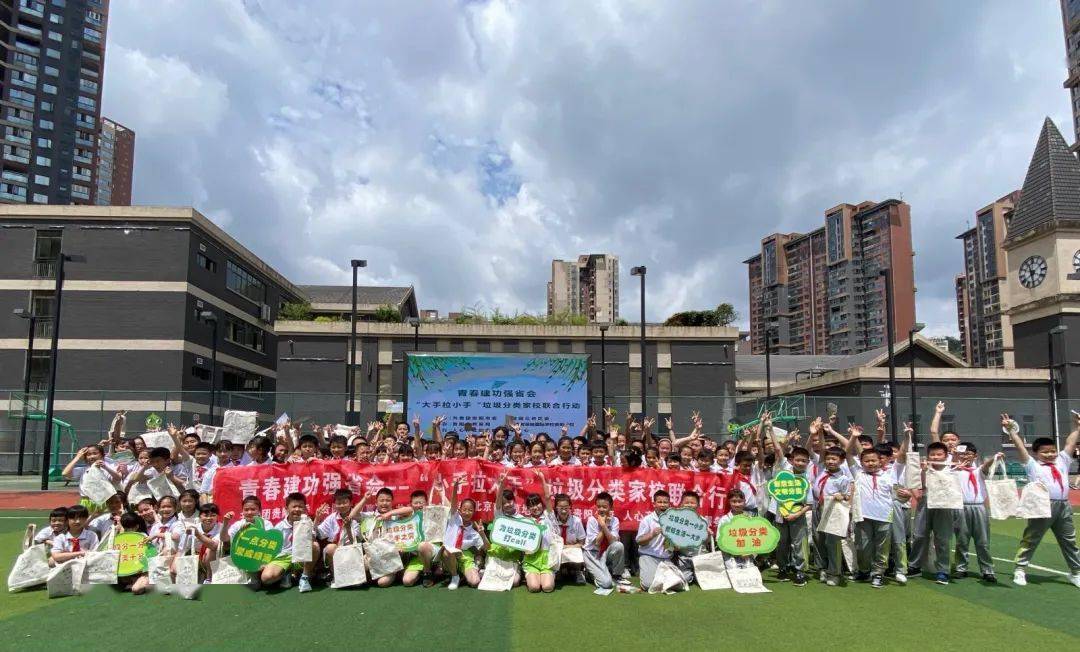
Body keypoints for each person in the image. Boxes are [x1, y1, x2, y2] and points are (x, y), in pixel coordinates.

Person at [1003, 412, 1080, 588]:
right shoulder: (1032, 466)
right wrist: (1012, 432)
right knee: (1031, 539)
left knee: (1069, 540)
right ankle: (1020, 570)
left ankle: (1075, 572)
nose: (1050, 454)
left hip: (1063, 506)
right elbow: (1020, 448)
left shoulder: (1062, 461)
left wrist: (1078, 427)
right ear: (1036, 453)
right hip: (1041, 506)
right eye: (1044, 452)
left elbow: (1070, 443)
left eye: (1052, 451)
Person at [849, 445, 900, 588]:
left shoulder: (889, 476)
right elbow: (848, 455)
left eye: (874, 460)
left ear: (880, 461)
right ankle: (864, 570)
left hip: (884, 516)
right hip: (863, 516)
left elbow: (897, 493)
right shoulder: (858, 474)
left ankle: (878, 573)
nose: (870, 463)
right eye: (866, 461)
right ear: (861, 462)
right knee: (862, 546)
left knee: (882, 547)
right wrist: (853, 438)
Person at [910, 441, 957, 585]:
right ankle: (914, 566)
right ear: (928, 455)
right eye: (933, 454)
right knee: (919, 535)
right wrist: (923, 471)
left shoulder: (952, 470)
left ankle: (943, 571)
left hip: (944, 506)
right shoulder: (924, 468)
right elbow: (922, 486)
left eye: (939, 454)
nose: (935, 457)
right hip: (926, 503)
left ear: (945, 455)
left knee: (942, 539)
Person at [350, 488, 416, 588]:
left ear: (392, 502)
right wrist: (365, 499)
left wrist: (390, 513)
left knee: (383, 583)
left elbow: (411, 510)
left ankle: (393, 573)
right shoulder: (370, 516)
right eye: (381, 500)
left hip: (392, 557)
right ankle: (372, 574)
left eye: (388, 500)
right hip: (373, 555)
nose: (384, 503)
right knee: (357, 567)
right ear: (376, 502)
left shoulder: (396, 515)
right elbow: (352, 515)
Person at [952, 442, 996, 582]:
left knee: (982, 541)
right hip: (961, 507)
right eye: (963, 453)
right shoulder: (955, 470)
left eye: (969, 454)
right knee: (961, 540)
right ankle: (961, 568)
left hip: (979, 507)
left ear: (975, 456)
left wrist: (994, 458)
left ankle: (987, 570)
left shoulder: (978, 471)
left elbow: (986, 465)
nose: (966, 456)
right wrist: (954, 461)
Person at [263, 492, 319, 593]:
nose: (297, 509)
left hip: (300, 556)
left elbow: (313, 541)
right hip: (284, 557)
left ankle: (304, 577)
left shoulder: (308, 522)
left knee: (314, 546)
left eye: (300, 507)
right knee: (266, 578)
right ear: (287, 508)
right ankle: (286, 573)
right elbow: (272, 548)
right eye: (294, 506)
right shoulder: (279, 527)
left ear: (305, 509)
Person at [811, 446, 851, 586]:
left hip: (833, 510)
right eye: (828, 459)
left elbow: (848, 497)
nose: (830, 461)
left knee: (832, 542)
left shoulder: (843, 478)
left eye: (834, 459)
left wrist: (843, 496)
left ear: (841, 461)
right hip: (818, 507)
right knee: (818, 539)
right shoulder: (822, 470)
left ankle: (834, 573)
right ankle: (822, 568)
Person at [442, 479, 487, 590]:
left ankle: (470, 573)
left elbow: (485, 548)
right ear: (460, 510)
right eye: (465, 509)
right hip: (450, 557)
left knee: (475, 582)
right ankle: (455, 576)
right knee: (447, 551)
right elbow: (453, 504)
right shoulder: (454, 519)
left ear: (473, 512)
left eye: (470, 510)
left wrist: (482, 534)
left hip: (465, 559)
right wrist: (455, 488)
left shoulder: (474, 532)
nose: (467, 512)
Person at [521, 473, 557, 593]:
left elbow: (547, 497)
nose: (535, 507)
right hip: (531, 558)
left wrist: (542, 478)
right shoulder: (525, 521)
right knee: (534, 587)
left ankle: (548, 575)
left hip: (548, 558)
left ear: (541, 504)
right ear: (527, 508)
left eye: (537, 504)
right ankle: (530, 576)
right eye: (531, 506)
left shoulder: (549, 516)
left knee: (547, 587)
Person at [583, 491, 625, 590]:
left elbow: (613, 542)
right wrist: (603, 525)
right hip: (592, 554)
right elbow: (597, 542)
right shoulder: (592, 520)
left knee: (619, 545)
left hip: (605, 552)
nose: (601, 509)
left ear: (611, 508)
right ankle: (589, 573)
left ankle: (616, 575)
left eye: (604, 507)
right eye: (599, 506)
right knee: (606, 584)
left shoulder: (615, 520)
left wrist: (604, 525)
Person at [316, 488, 361, 576]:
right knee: (330, 548)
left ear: (351, 503)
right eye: (339, 503)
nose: (341, 506)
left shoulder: (357, 517)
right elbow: (318, 534)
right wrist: (317, 519)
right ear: (334, 505)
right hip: (337, 552)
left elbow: (354, 543)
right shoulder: (332, 518)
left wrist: (348, 528)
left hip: (353, 551)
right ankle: (336, 576)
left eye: (344, 502)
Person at [175, 503, 223, 583]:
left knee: (210, 550)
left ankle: (209, 579)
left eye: (213, 515)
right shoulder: (193, 528)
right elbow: (182, 548)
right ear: (200, 516)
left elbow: (214, 546)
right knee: (175, 569)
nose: (209, 518)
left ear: (217, 516)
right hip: (195, 557)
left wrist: (198, 534)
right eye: (206, 515)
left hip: (216, 558)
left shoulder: (221, 527)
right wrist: (175, 565)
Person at [635, 489, 672, 589]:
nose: (662, 505)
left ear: (669, 504)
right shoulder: (647, 520)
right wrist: (652, 534)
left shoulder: (673, 520)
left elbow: (673, 547)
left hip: (666, 558)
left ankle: (656, 574)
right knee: (647, 585)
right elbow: (639, 541)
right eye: (659, 502)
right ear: (654, 504)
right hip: (648, 556)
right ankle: (646, 570)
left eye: (665, 502)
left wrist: (672, 543)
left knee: (676, 583)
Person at [547, 491, 586, 585]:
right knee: (554, 550)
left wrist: (568, 547)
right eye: (561, 508)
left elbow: (581, 542)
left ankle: (577, 572)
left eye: (566, 508)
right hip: (557, 549)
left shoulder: (576, 521)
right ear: (556, 508)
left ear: (570, 507)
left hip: (571, 548)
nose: (564, 511)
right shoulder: (552, 521)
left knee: (578, 551)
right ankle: (558, 571)